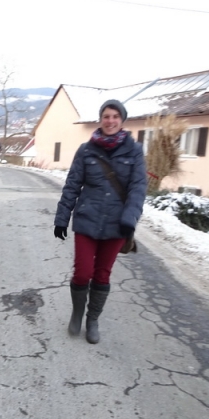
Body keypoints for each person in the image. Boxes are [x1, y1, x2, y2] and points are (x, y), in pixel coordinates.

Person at [53, 99, 146, 344]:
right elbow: (72, 185)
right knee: (83, 272)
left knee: (102, 275)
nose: (110, 121)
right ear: (100, 119)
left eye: (115, 116)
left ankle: (92, 319)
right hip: (87, 219)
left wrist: (130, 219)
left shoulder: (134, 151)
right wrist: (62, 218)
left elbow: (138, 188)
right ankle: (77, 313)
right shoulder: (86, 150)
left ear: (122, 120)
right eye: (106, 116)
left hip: (117, 224)